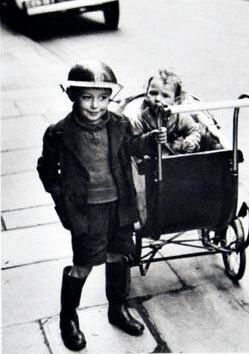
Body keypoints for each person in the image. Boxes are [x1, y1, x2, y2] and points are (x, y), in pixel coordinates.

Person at [37, 62, 165, 351]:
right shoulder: (58, 133)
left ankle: (116, 308)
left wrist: (150, 141)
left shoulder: (120, 124)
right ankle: (68, 318)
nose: (96, 105)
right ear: (73, 96)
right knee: (83, 264)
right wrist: (63, 201)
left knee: (118, 256)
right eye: (87, 97)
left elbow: (133, 147)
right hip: (86, 211)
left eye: (103, 97)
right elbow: (46, 170)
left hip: (120, 206)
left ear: (110, 98)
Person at [128, 69, 202, 155]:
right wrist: (149, 138)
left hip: (174, 158)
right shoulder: (140, 118)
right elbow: (133, 145)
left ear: (176, 100)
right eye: (153, 93)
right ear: (146, 94)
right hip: (150, 160)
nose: (158, 99)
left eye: (165, 96)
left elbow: (194, 130)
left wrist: (190, 142)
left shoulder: (179, 116)